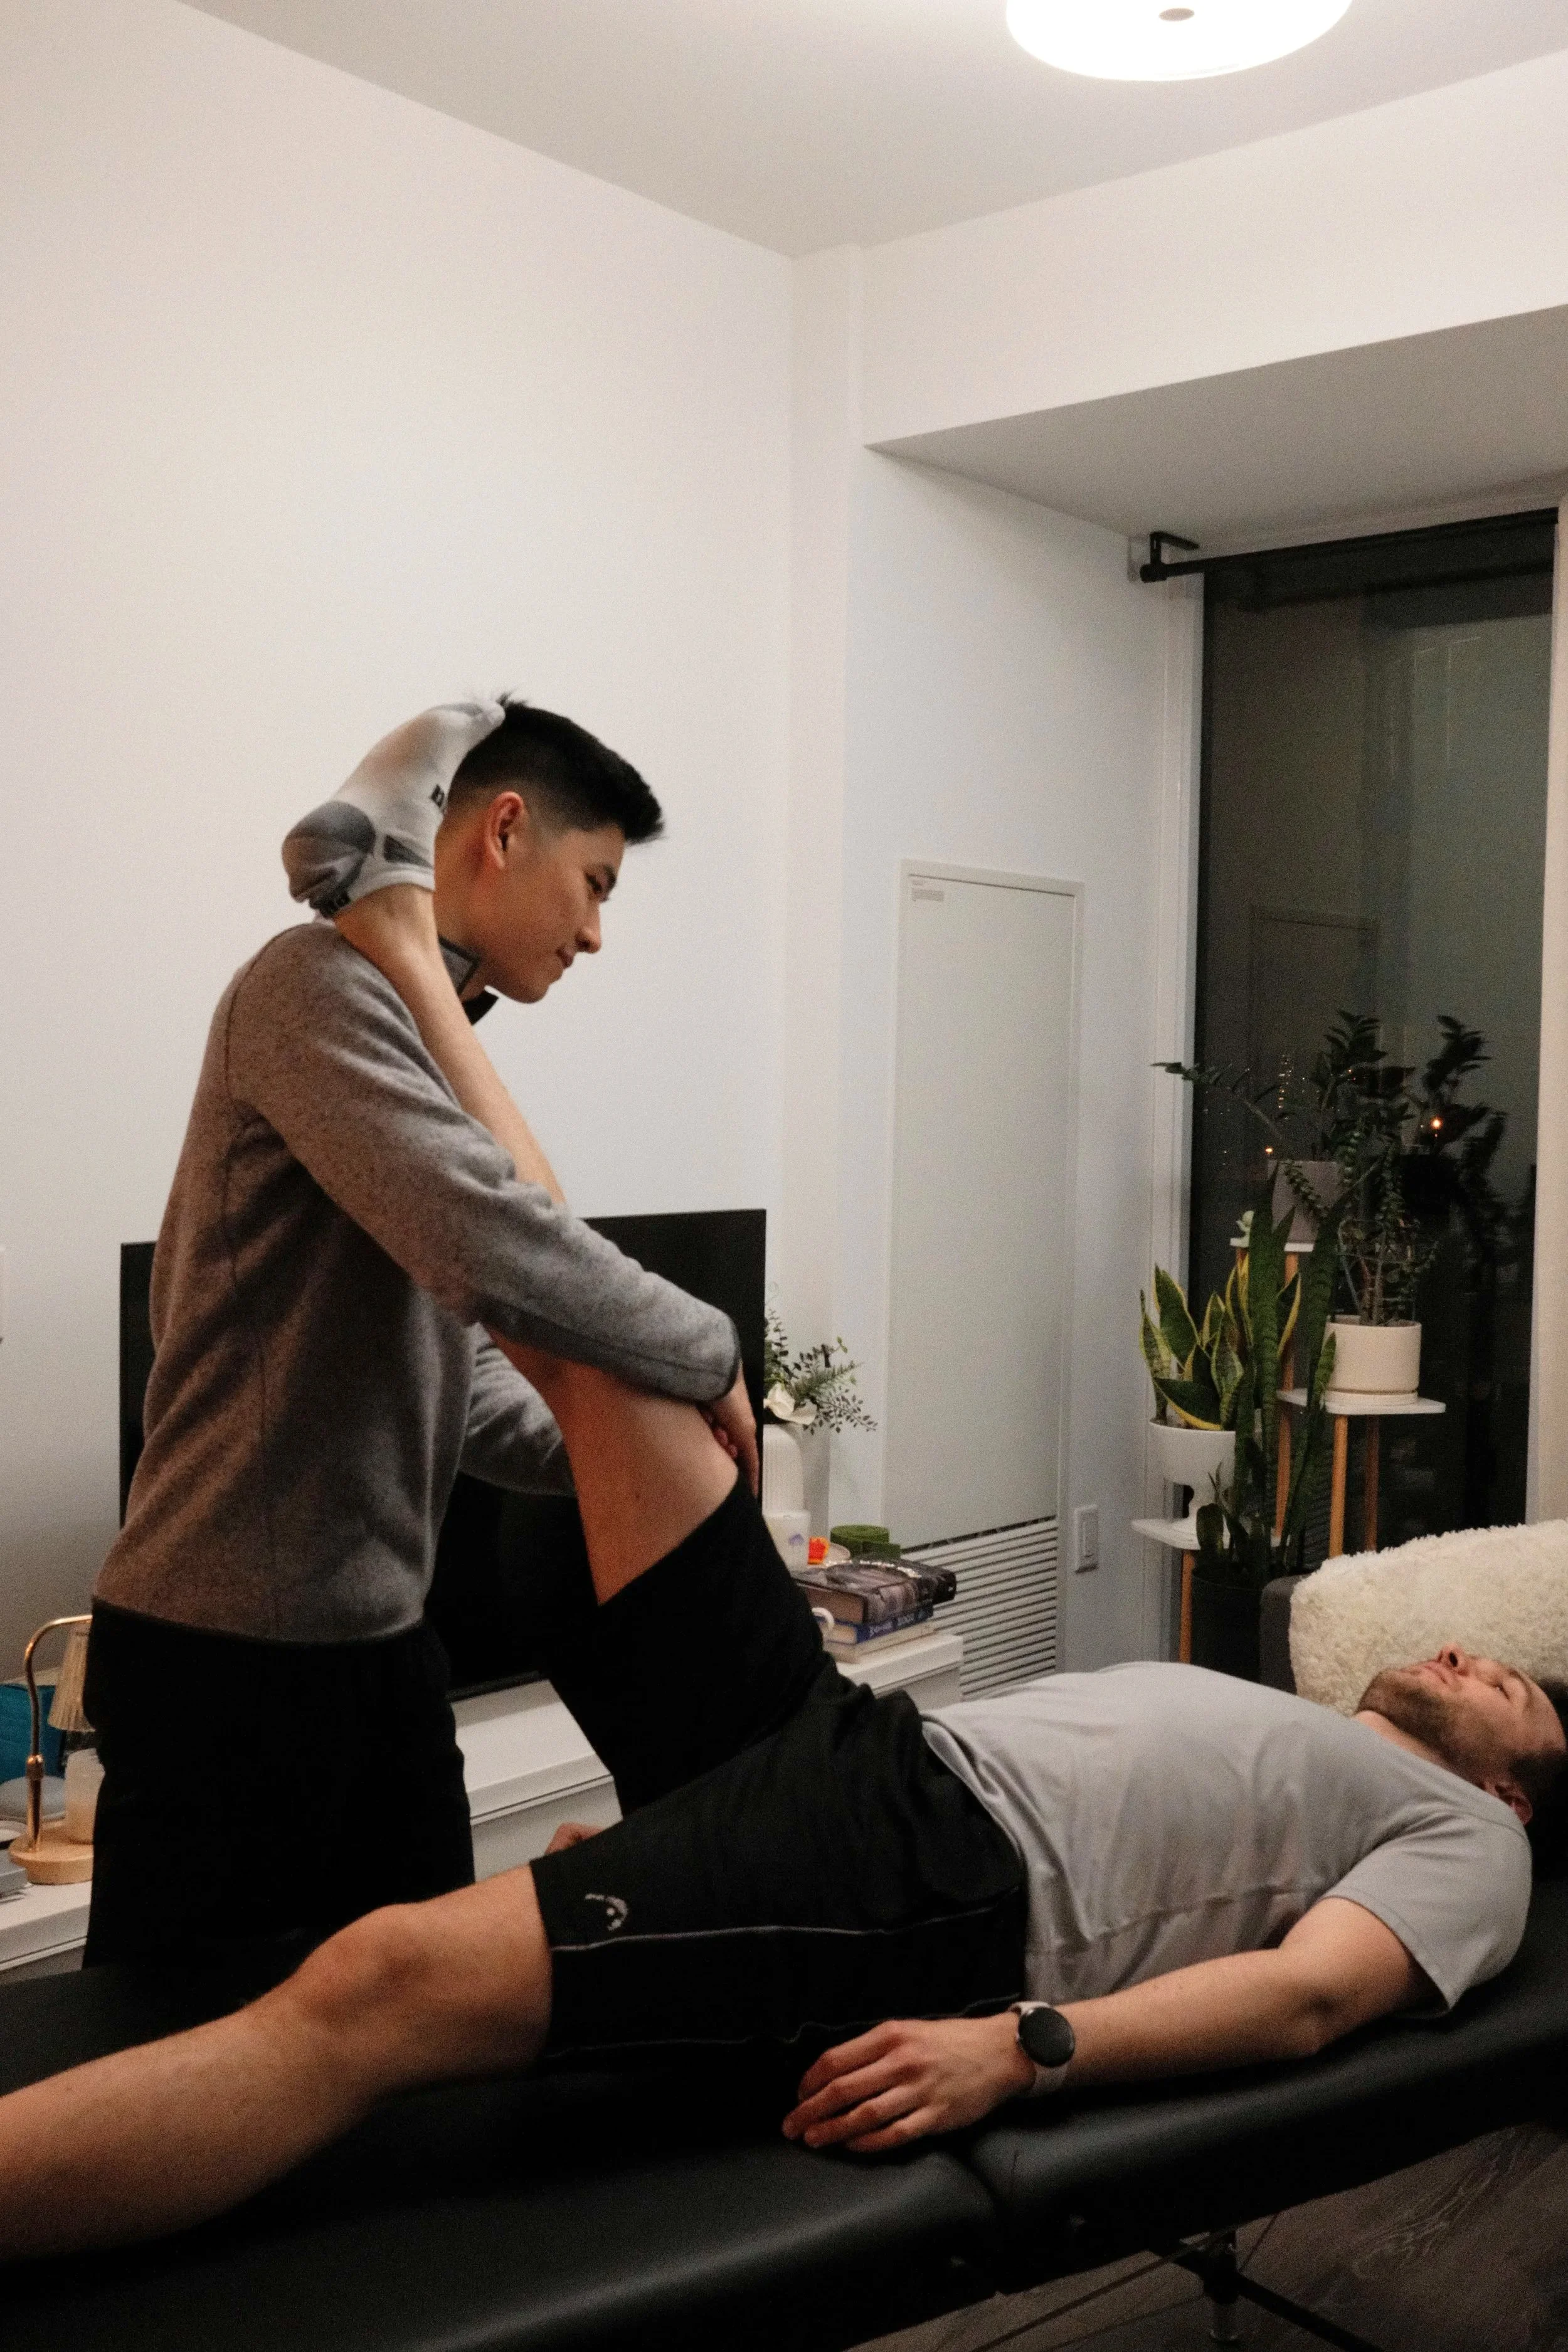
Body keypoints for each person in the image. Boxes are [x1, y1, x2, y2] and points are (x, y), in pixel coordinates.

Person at [4, 1318, 1564, 2260]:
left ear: (1522, 1792)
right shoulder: (1305, 1725)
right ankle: (416, 965)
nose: (1465, 1653)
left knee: (381, 1974)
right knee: (626, 1379)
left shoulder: (1466, 1848)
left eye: (1508, 1683)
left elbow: (1304, 2001)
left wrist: (1020, 2052)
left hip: (926, 1885)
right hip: (860, 1759)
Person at [84, 698, 756, 1969]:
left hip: (377, 1651)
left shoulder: (403, 1018)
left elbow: (470, 1390)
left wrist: (639, 1447)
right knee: (194, 2069)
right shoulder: (308, 988)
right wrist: (708, 1349)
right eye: (593, 885)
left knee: (417, 2040)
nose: (598, 934)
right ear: (504, 829)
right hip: (227, 1663)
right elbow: (489, 1241)